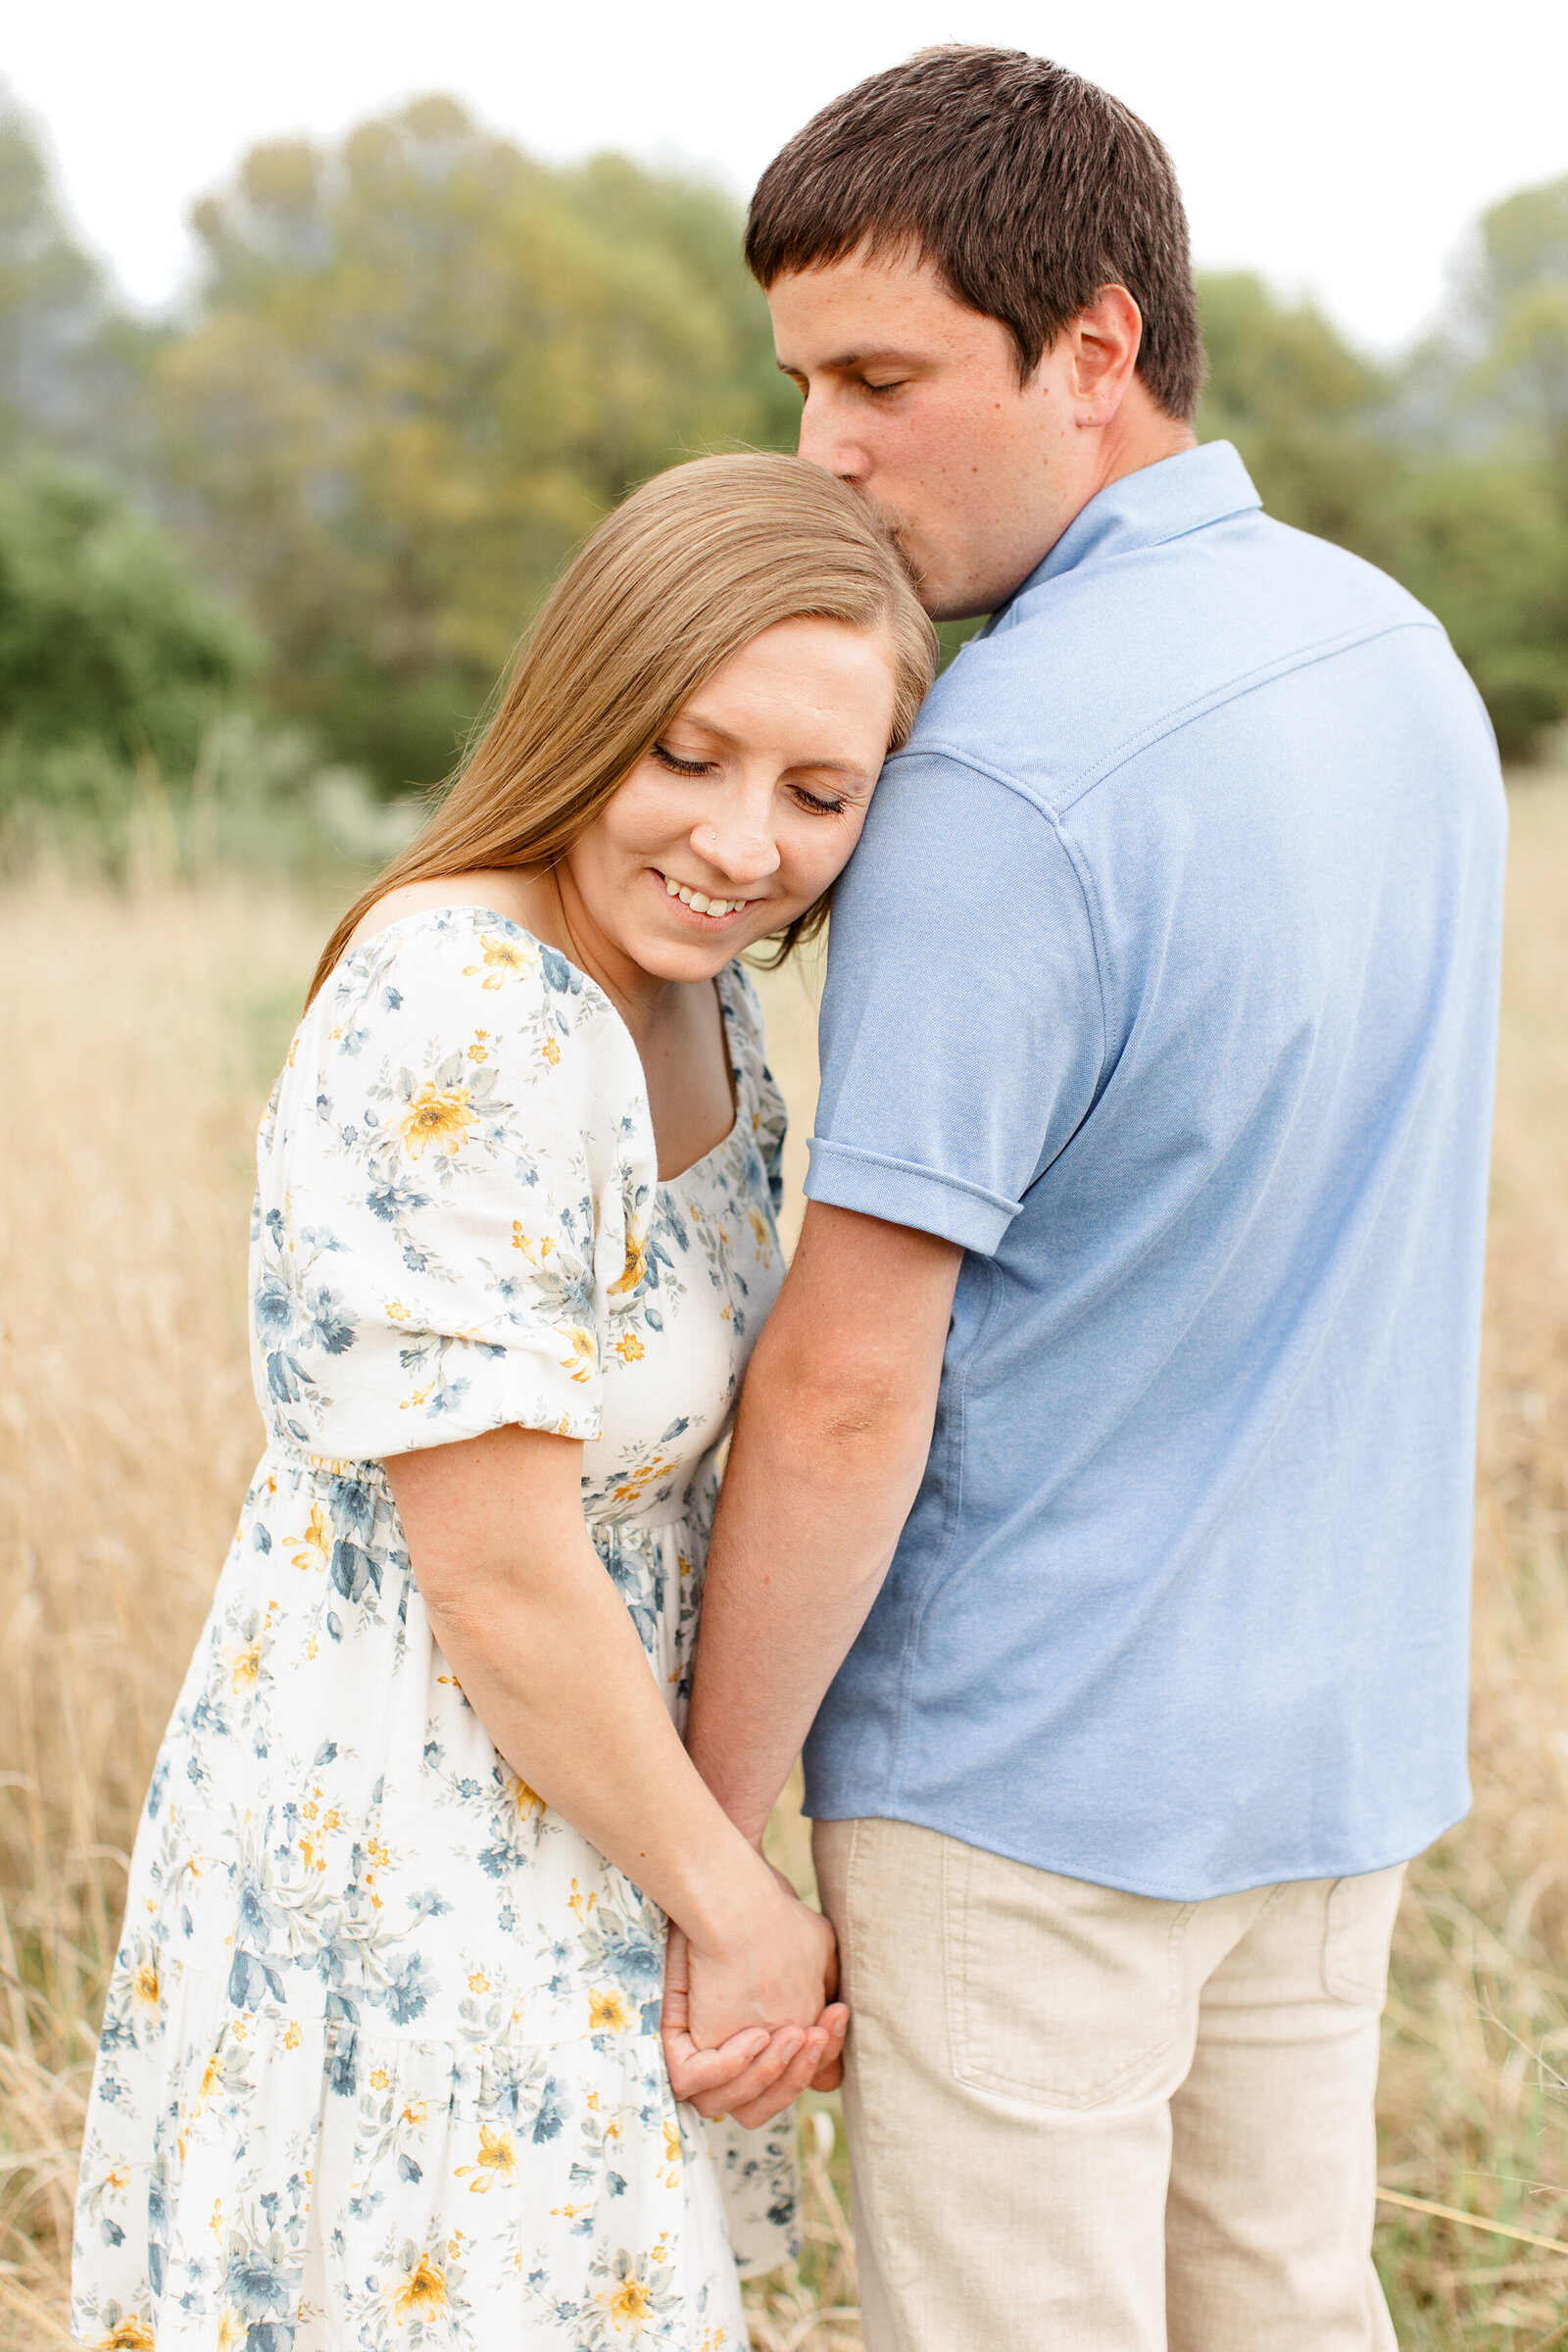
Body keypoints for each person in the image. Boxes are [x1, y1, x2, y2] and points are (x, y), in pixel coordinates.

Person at [669, 47, 1508, 2352]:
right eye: (797, 384)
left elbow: (849, 1387)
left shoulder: (1003, 779)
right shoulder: (1394, 658)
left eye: (877, 378)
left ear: (1093, 348)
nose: (819, 448)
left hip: (1021, 1782)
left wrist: (717, 1826)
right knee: (1284, 2310)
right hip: (1327, 1751)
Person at [70, 453, 934, 2352]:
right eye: (686, 756)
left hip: (590, 1807)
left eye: (817, 793)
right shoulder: (475, 1000)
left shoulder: (699, 1005)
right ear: (583, 707)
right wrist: (735, 1908)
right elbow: (500, 1571)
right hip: (412, 1816)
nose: (739, 843)